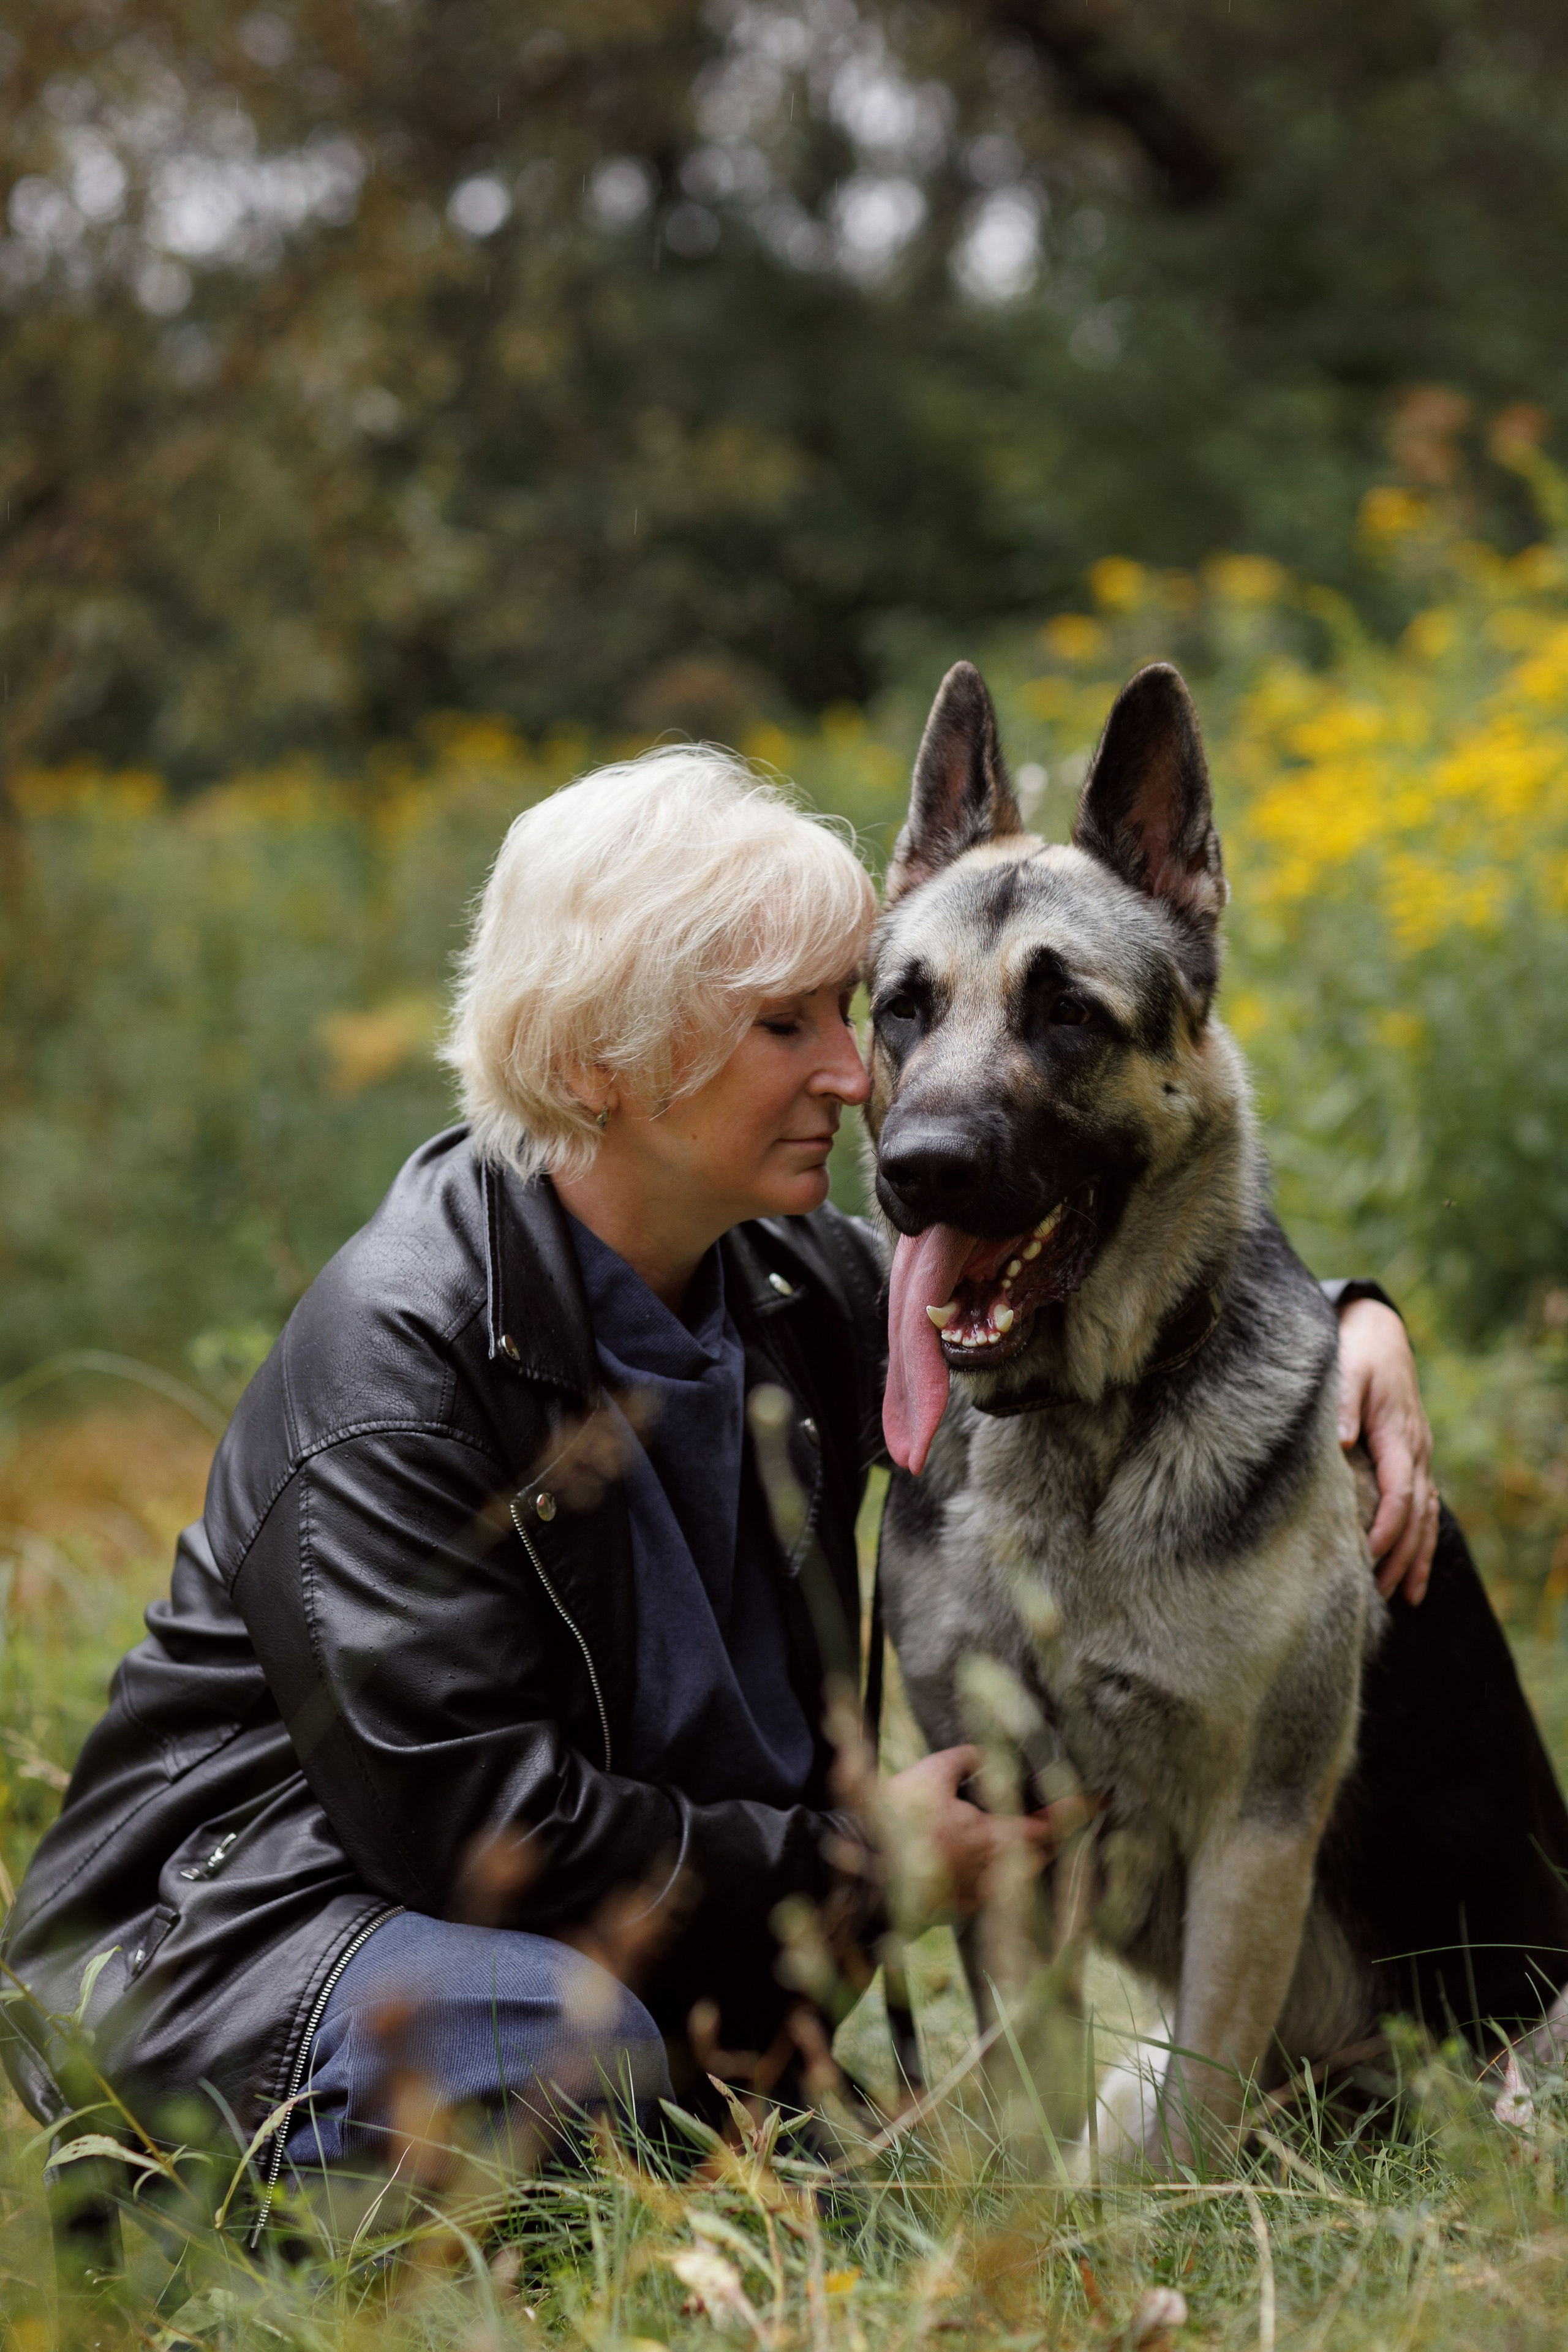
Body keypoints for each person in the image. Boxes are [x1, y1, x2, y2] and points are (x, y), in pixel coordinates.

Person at [0, 746, 1435, 2193]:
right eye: (783, 1026)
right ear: (597, 1064)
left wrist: (1343, 1321)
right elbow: (485, 1836)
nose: (857, 1076)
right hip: (223, 1951)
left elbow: (1117, 1272)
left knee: (654, 2090)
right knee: (555, 2053)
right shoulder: (392, 1371)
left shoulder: (786, 1279)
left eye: (842, 1012)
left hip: (564, 1954)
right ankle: (161, 2210)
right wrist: (862, 1864)